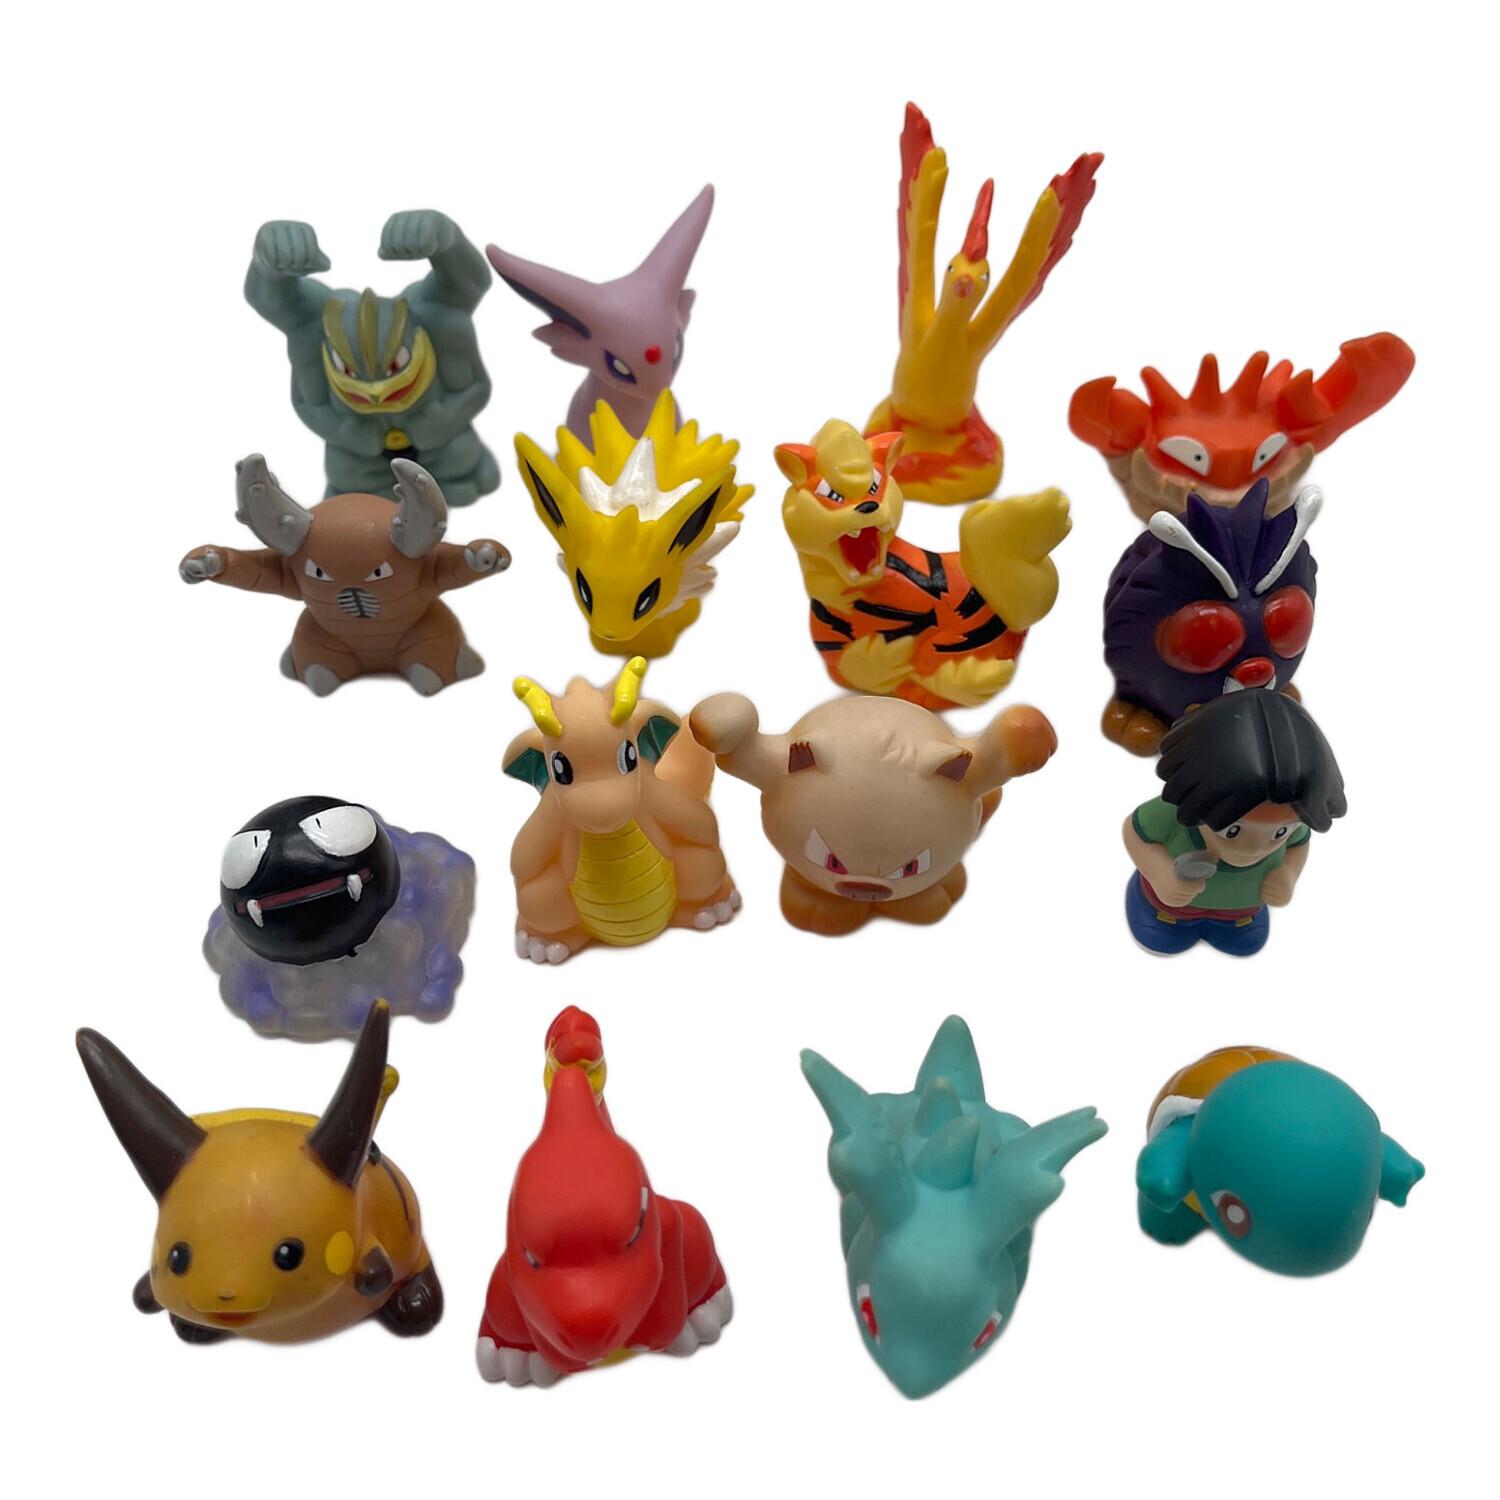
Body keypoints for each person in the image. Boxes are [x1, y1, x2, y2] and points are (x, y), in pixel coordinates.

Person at [1122, 691, 1346, 956]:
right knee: (1163, 934)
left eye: (1280, 832)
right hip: (1168, 912)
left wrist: (1288, 874)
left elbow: (1299, 845)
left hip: (1241, 918)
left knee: (1246, 942)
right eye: (1233, 830)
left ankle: (1233, 925)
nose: (1254, 849)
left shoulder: (1295, 818)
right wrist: (1161, 874)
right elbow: (1134, 832)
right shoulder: (1176, 812)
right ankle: (1168, 920)